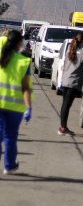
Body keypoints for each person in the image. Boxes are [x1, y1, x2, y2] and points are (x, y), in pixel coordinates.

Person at [0, 30, 32, 174]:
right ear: (19, 44)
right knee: (10, 138)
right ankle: (9, 165)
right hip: (14, 108)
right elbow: (25, 88)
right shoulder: (23, 62)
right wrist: (28, 107)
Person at [58, 32, 83, 136]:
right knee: (67, 105)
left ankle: (62, 126)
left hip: (65, 81)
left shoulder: (70, 51)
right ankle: (63, 128)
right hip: (73, 83)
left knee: (64, 105)